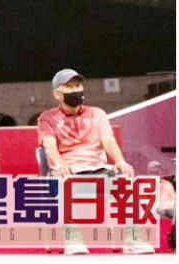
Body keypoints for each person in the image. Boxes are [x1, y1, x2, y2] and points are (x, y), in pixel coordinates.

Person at [37, 68, 150, 255]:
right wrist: (60, 164)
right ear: (57, 94)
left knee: (126, 182)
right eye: (68, 87)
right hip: (68, 171)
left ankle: (133, 239)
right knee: (61, 184)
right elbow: (49, 145)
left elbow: (108, 140)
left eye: (77, 85)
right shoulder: (47, 118)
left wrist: (121, 161)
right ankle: (73, 240)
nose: (75, 90)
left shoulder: (97, 113)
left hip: (98, 170)